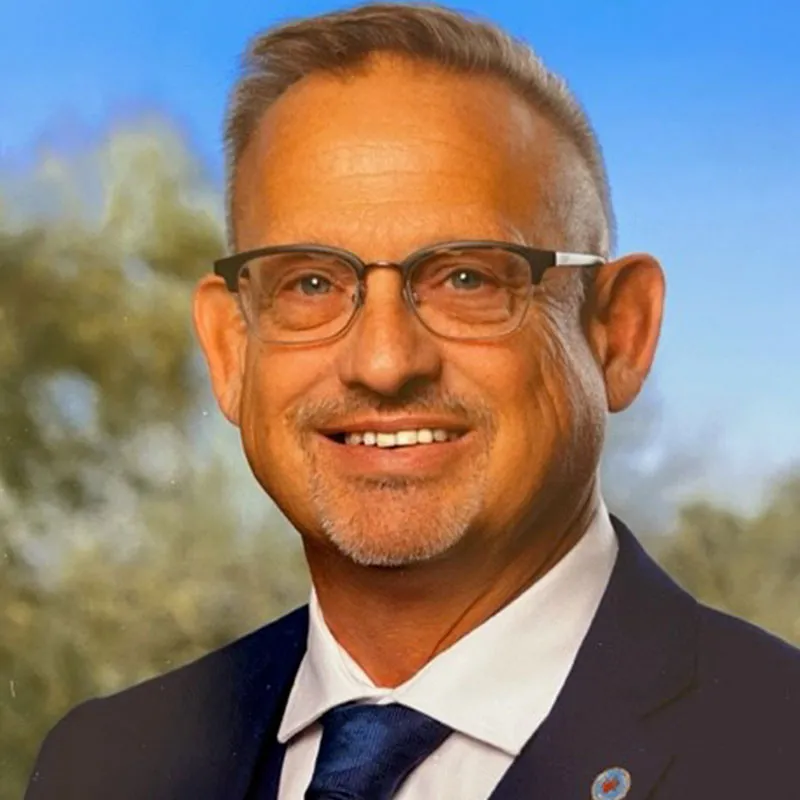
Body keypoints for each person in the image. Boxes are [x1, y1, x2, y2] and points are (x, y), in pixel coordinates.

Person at [25, 3, 800, 799]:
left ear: (617, 332)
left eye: (468, 277)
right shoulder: (103, 765)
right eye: (310, 283)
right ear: (231, 351)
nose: (385, 362)